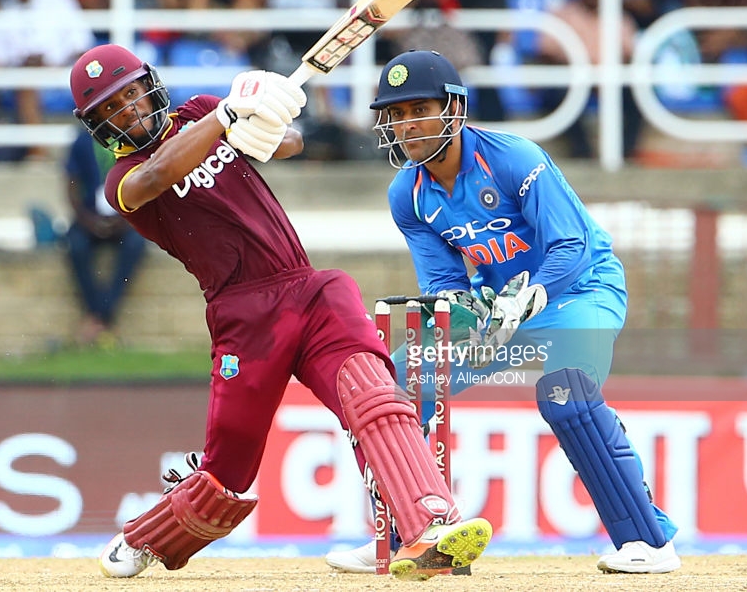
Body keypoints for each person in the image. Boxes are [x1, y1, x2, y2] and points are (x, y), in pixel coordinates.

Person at [68, 43, 493, 580]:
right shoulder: (123, 179)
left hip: (307, 288)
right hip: (244, 319)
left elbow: (287, 146)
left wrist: (264, 116)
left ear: (149, 85)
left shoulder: (198, 111)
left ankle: (427, 525)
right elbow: (156, 177)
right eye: (110, 108)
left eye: (129, 95)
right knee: (227, 477)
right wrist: (227, 116)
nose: (127, 111)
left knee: (376, 398)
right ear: (98, 126)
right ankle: (145, 536)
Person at [325, 49, 681, 575]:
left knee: (565, 394)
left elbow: (571, 245)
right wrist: (465, 310)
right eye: (395, 115)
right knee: (388, 391)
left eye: (417, 109)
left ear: (453, 109)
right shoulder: (408, 193)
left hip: (581, 291)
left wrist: (533, 292)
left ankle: (648, 543)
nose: (405, 125)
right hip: (499, 310)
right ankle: (417, 534)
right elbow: (444, 284)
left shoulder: (515, 157)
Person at [63, 129, 147, 346]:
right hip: (89, 217)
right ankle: (103, 316)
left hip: (125, 217)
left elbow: (144, 182)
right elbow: (71, 185)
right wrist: (88, 220)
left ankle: (98, 316)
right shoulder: (82, 141)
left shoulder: (131, 138)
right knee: (76, 246)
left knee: (136, 244)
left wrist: (126, 219)